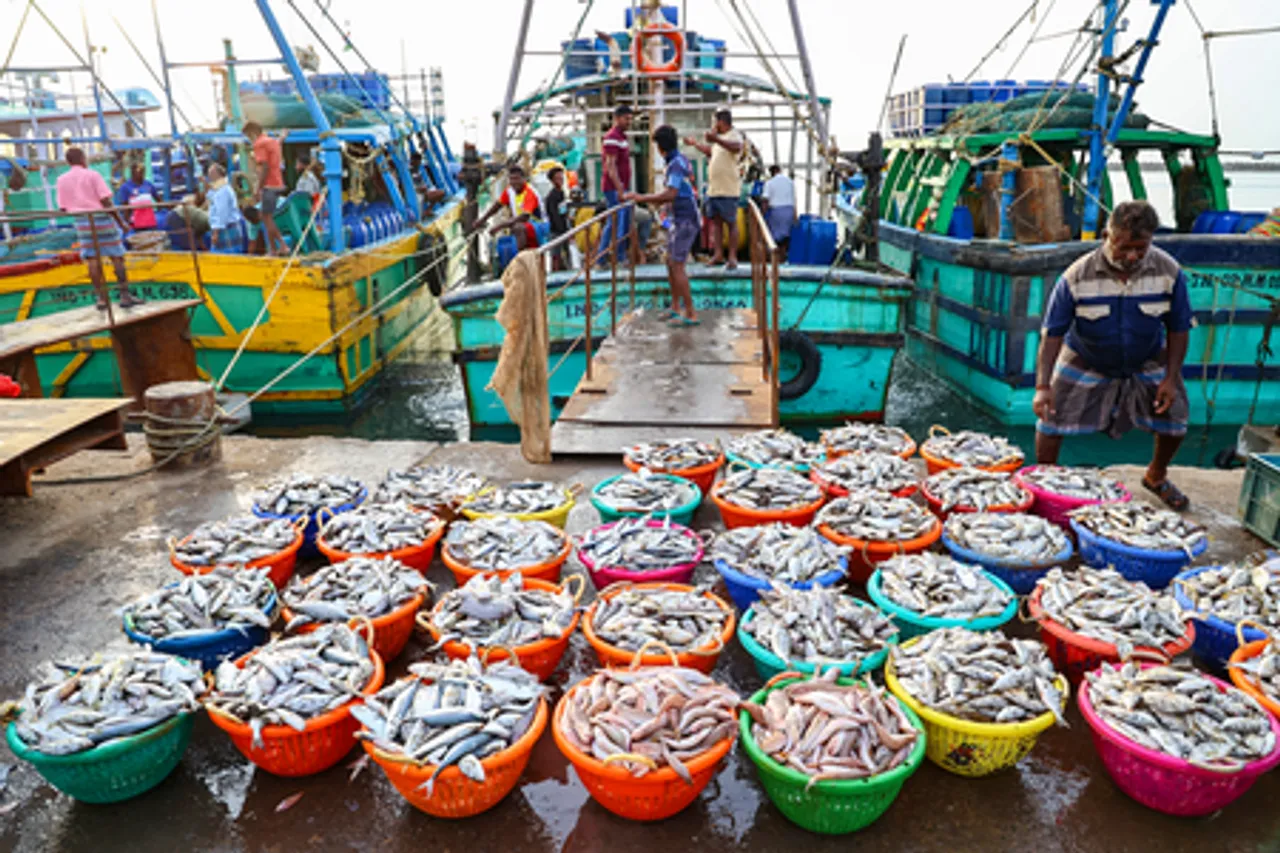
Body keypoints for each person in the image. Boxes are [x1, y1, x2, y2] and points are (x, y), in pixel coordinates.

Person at [1034, 200, 1193, 509]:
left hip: (1147, 354)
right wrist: (1042, 387)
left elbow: (1179, 328)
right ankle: (1046, 482)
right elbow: (1052, 334)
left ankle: (1156, 476)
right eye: (1123, 247)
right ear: (1107, 235)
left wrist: (1171, 379)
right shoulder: (1076, 276)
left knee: (1176, 418)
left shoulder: (1169, 271)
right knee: (1049, 420)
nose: (1132, 256)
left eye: (1141, 247)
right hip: (1086, 354)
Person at [625, 124, 699, 326]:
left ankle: (691, 312)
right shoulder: (678, 160)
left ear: (660, 147)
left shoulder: (675, 164)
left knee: (677, 265)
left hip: (686, 219)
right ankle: (676, 307)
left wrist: (641, 197)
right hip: (679, 218)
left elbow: (671, 193)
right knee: (670, 263)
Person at [56, 147, 136, 309]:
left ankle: (101, 298)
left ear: (68, 162)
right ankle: (125, 296)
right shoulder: (92, 175)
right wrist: (121, 222)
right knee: (117, 256)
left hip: (82, 222)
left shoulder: (61, 179)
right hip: (101, 219)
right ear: (83, 159)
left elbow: (63, 208)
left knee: (92, 259)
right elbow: (106, 201)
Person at [684, 109, 743, 269]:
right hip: (714, 189)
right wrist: (695, 144)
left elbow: (737, 147)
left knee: (731, 223)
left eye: (714, 122)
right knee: (715, 223)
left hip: (728, 189)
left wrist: (716, 139)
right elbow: (711, 151)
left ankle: (732, 257)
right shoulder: (720, 140)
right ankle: (718, 254)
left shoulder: (734, 135)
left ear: (721, 122)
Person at [472, 163, 544, 250]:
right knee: (514, 227)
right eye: (511, 179)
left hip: (539, 226)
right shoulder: (510, 190)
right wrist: (482, 220)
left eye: (517, 179)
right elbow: (497, 206)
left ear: (524, 179)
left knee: (518, 227)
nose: (514, 182)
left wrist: (499, 226)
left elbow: (524, 217)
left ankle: (521, 258)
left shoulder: (529, 192)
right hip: (526, 227)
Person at [595, 104, 633, 265]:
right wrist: (620, 189)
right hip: (614, 188)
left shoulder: (621, 137)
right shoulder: (612, 137)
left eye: (630, 119)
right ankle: (614, 257)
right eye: (626, 119)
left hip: (619, 187)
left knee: (617, 221)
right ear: (616, 118)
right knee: (616, 221)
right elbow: (610, 166)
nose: (629, 122)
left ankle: (605, 257)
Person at [243, 121, 288, 256]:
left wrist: (258, 188)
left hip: (269, 184)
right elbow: (277, 144)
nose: (249, 139)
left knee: (266, 218)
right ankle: (275, 249)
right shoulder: (271, 141)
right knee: (267, 217)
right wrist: (283, 137)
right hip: (278, 183)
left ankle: (280, 247)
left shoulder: (259, 144)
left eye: (248, 136)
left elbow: (265, 167)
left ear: (252, 132)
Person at [206, 163, 244, 252]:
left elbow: (222, 213)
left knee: (227, 257)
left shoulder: (223, 191)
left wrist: (216, 233)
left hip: (226, 228)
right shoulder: (221, 189)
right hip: (226, 227)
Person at [760, 164, 796, 257]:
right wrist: (795, 215)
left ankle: (775, 257)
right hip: (789, 210)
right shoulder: (790, 182)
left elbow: (765, 200)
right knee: (786, 236)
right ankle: (783, 256)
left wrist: (762, 215)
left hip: (776, 211)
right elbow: (794, 199)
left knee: (774, 237)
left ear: (771, 172)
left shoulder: (770, 183)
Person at [116, 164, 158, 230]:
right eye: (137, 172)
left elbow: (158, 200)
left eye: (142, 172)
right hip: (134, 223)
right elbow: (125, 207)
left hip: (149, 222)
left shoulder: (148, 184)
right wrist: (127, 223)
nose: (140, 174)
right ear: (132, 173)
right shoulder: (125, 187)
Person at [544, 166, 570, 271]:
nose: (561, 180)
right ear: (552, 180)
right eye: (557, 178)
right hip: (556, 230)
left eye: (561, 178)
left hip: (564, 229)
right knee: (556, 255)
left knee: (565, 253)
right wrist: (561, 229)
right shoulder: (552, 196)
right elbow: (554, 215)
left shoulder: (562, 193)